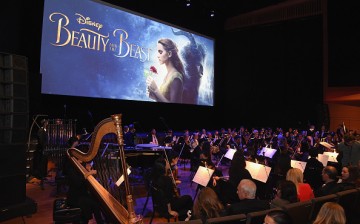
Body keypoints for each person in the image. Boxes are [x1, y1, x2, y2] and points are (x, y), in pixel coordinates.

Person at [146, 38, 185, 103]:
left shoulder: (176, 77)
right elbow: (165, 98)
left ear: (169, 54)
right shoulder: (169, 74)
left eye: (160, 52)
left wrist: (156, 90)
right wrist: (153, 95)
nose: (158, 56)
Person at [33, 119, 49, 189]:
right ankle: (41, 177)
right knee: (41, 163)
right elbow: (40, 140)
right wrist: (43, 148)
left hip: (44, 149)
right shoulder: (40, 130)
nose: (47, 123)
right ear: (44, 123)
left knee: (45, 162)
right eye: (46, 122)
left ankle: (44, 175)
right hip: (41, 149)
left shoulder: (45, 130)